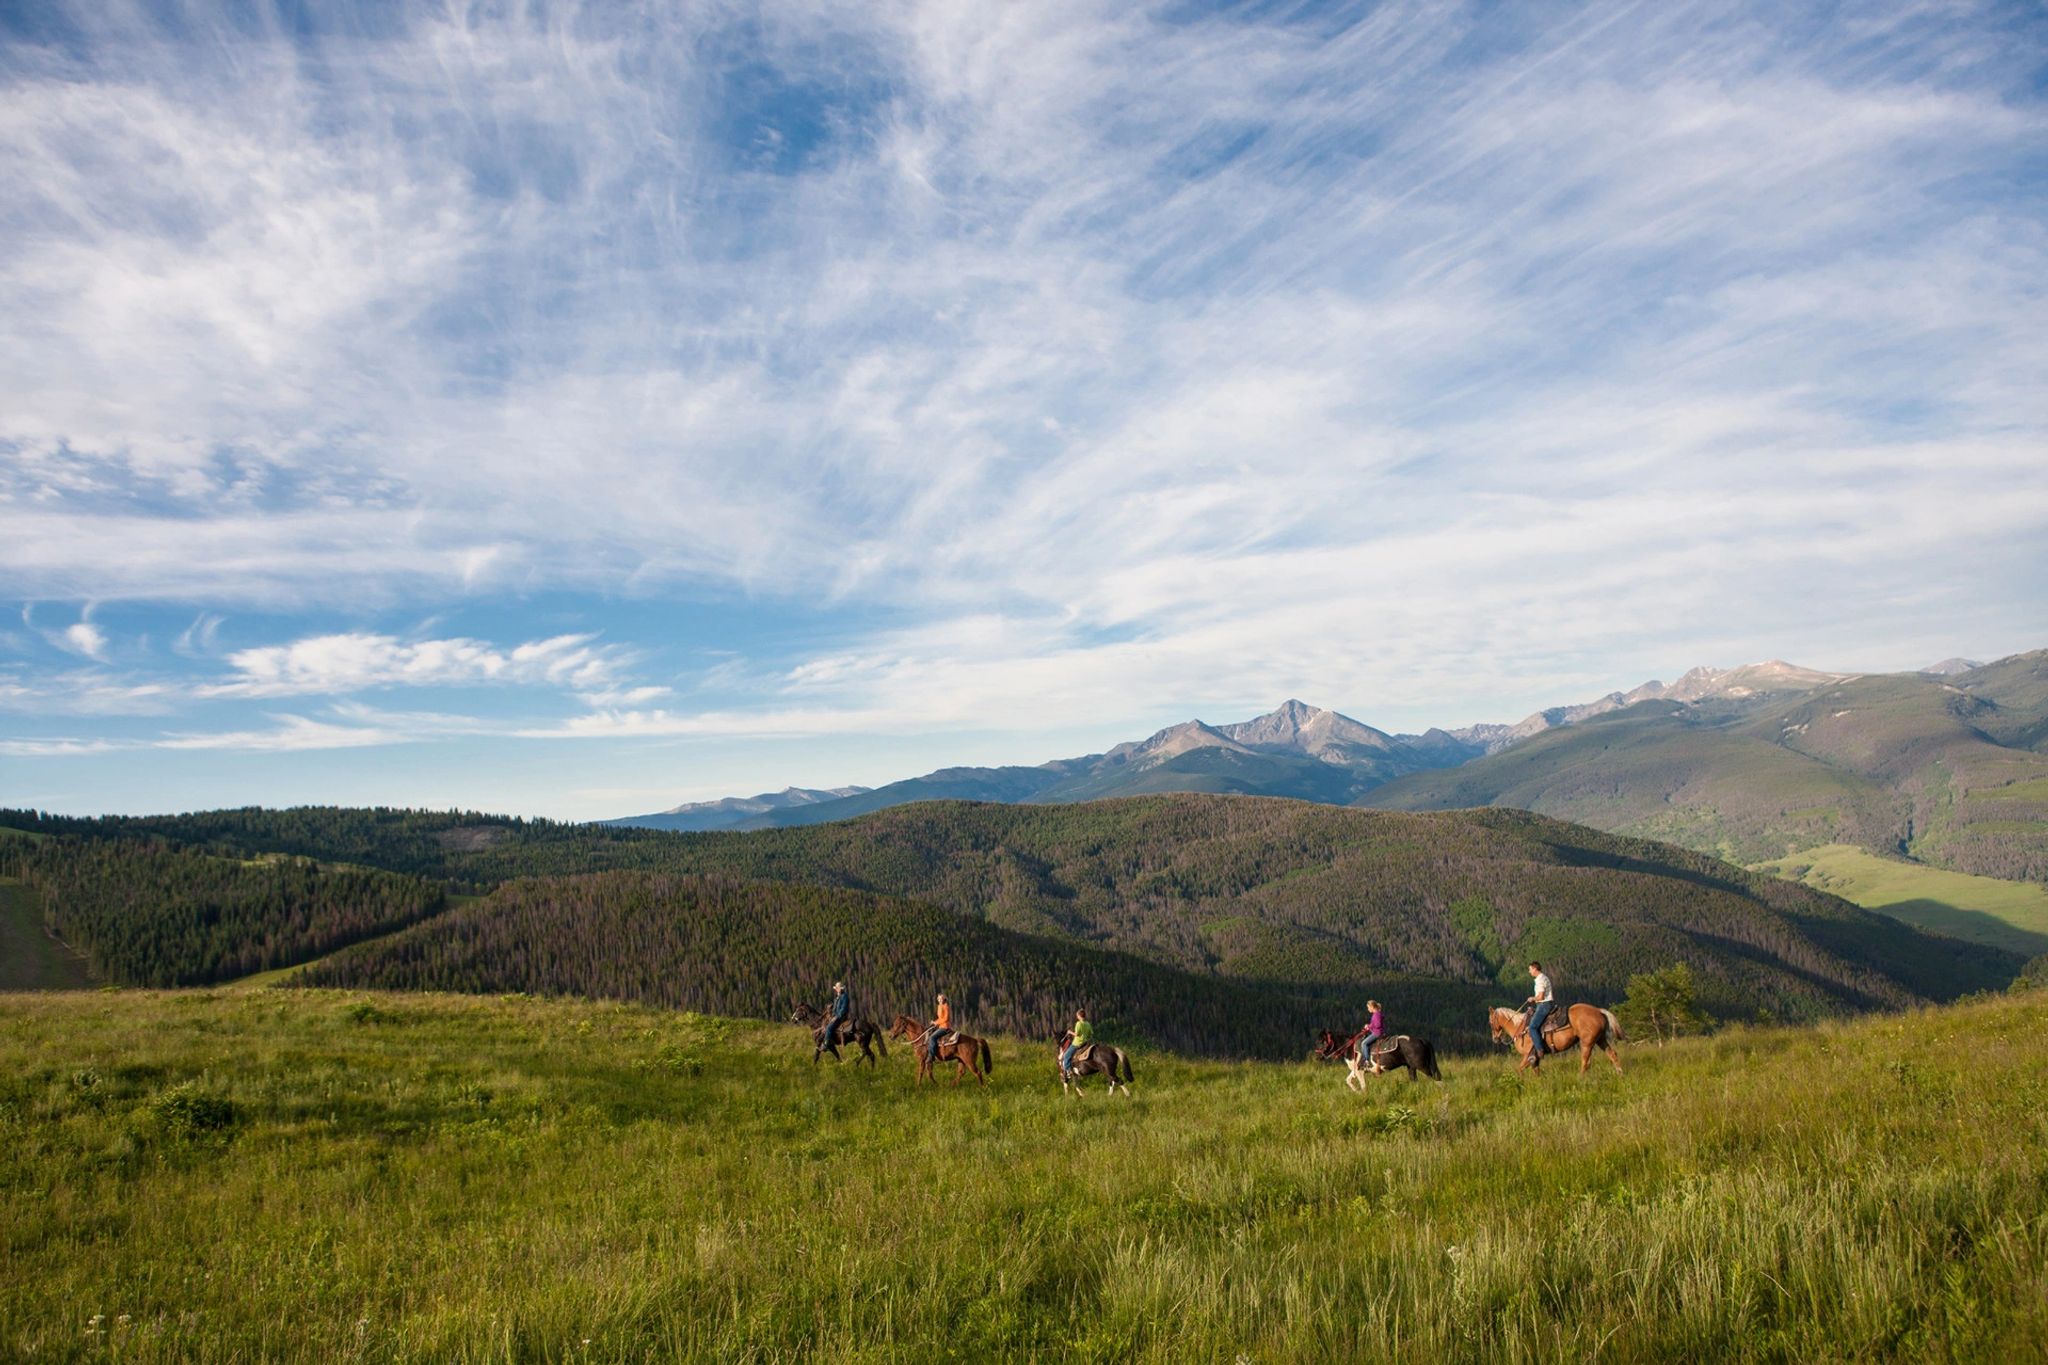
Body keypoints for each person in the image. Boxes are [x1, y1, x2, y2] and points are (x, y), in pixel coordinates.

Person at [1525, 961, 1555, 1061]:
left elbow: (1541, 996)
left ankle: (1539, 1050)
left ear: (1534, 969)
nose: (1529, 972)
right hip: (1545, 1003)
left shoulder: (1540, 979)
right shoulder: (1543, 977)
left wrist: (1532, 999)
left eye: (1530, 969)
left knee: (1532, 1027)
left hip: (1544, 1004)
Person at [817, 980, 851, 1054]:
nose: (836, 989)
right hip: (835, 1015)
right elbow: (835, 1008)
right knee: (825, 1024)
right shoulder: (837, 997)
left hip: (841, 1016)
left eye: (837, 988)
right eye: (836, 988)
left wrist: (836, 1017)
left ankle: (826, 1044)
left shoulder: (844, 997)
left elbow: (843, 1009)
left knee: (829, 1027)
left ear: (840, 989)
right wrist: (831, 1012)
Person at [1061, 1008, 1093, 1076]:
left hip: (1077, 1044)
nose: (1076, 1017)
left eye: (1077, 1015)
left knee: (1066, 1056)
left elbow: (1077, 1034)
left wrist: (1070, 1032)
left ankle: (1068, 1070)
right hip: (1085, 1043)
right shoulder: (1088, 1024)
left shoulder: (1078, 1024)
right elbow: (1091, 1034)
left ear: (1079, 1016)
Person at [925, 992, 954, 1066]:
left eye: (941, 998)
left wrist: (936, 1023)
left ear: (944, 999)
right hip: (941, 1026)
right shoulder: (939, 1006)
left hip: (945, 1027)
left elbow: (946, 1019)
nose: (939, 1000)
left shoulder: (945, 1006)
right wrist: (934, 1022)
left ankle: (932, 1056)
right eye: (938, 998)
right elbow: (940, 1018)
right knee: (928, 1033)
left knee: (932, 1037)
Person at [1358, 999, 1385, 1071]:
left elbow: (1377, 1025)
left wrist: (1369, 1026)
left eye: (1368, 1007)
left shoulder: (1376, 1014)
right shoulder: (1377, 1014)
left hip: (1377, 1033)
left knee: (1364, 1043)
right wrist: (1369, 1027)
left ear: (1372, 1006)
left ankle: (1366, 1061)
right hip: (1377, 1032)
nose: (1368, 1009)